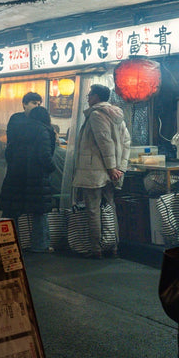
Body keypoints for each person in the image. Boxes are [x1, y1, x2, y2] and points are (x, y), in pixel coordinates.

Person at [72, 84, 131, 258]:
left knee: (93, 208)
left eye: (89, 95)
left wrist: (112, 168)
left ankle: (96, 248)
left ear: (96, 97)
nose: (88, 98)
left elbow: (105, 141)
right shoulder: (117, 116)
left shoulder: (96, 115)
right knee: (110, 207)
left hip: (95, 170)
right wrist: (120, 167)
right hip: (110, 170)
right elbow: (126, 142)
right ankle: (113, 246)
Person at [0, 105, 56, 253]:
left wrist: (15, 165)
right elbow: (45, 155)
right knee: (39, 212)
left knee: (12, 209)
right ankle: (40, 245)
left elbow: (8, 152)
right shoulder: (43, 130)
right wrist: (51, 168)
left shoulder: (18, 129)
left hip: (15, 175)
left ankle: (8, 241)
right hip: (36, 177)